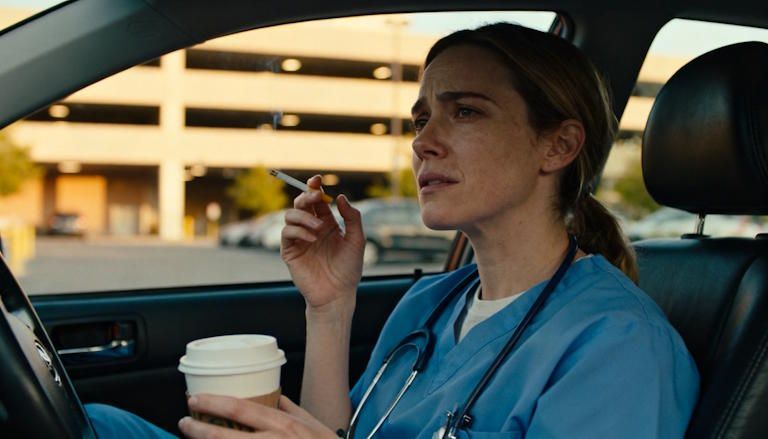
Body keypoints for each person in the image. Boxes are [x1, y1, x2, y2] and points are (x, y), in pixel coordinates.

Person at [89, 22, 699, 438]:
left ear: (558, 144)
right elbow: (344, 431)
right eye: (422, 117)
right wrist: (329, 306)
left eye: (464, 112)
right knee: (94, 421)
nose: (423, 142)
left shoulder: (619, 345)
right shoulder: (431, 304)